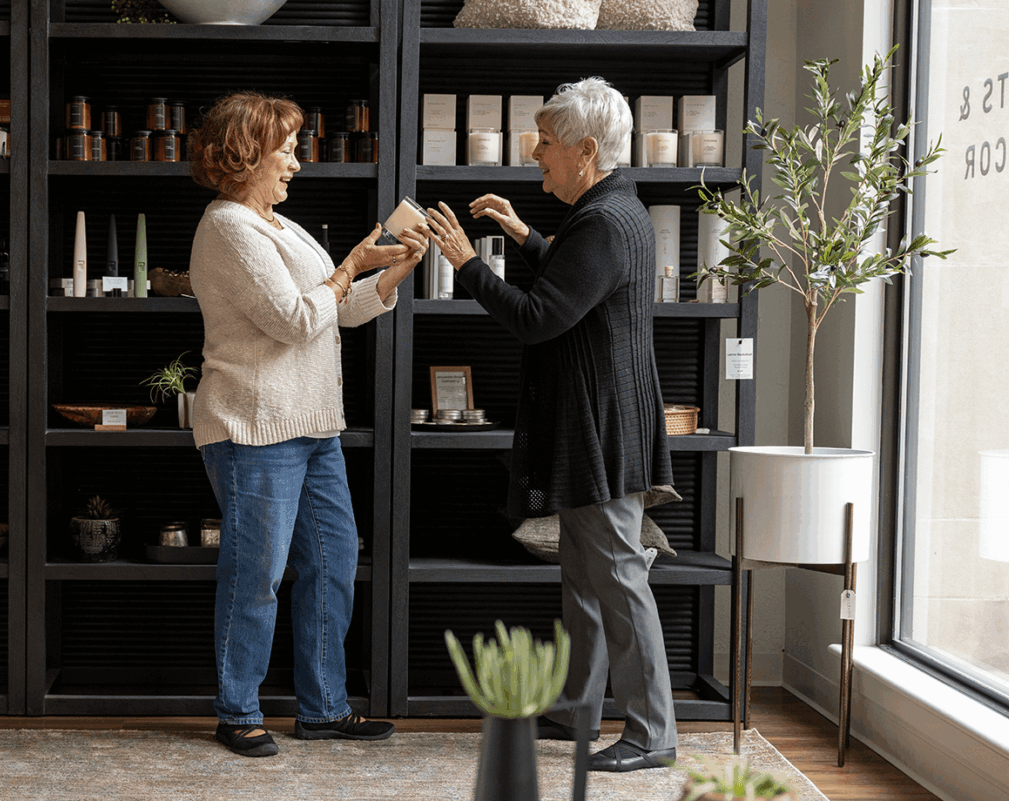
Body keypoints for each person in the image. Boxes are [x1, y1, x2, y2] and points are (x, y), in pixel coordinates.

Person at [418, 76, 678, 773]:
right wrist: (524, 235)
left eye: (547, 147)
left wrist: (468, 265)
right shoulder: (615, 210)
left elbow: (539, 318)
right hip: (597, 421)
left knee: (617, 574)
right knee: (585, 576)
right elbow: (576, 284)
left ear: (587, 150)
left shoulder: (603, 221)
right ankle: (579, 706)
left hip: (599, 426)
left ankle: (653, 730)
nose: (538, 157)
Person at [187, 91, 426, 758]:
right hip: (255, 428)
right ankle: (237, 711)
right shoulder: (229, 227)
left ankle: (322, 708)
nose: (296, 161)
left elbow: (333, 312)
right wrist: (351, 263)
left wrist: (391, 271)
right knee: (254, 576)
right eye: (286, 149)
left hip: (314, 425)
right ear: (246, 155)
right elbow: (294, 319)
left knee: (332, 561)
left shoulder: (280, 227)